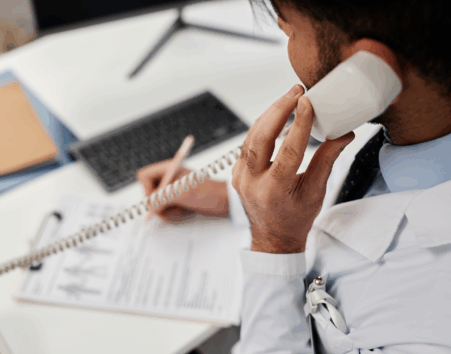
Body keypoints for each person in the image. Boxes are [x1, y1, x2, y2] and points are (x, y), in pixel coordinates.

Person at [137, 0, 451, 352]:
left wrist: (274, 246)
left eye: (289, 30)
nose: (288, 44)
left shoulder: (429, 330)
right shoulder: (420, 123)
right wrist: (235, 200)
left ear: (371, 68)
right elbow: (382, 193)